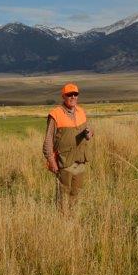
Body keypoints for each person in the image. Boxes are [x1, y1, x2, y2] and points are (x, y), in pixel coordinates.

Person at [43, 82, 94, 211]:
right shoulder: (55, 114)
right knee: (62, 196)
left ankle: (72, 219)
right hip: (64, 162)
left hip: (81, 161)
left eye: (75, 94)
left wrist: (89, 133)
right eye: (69, 94)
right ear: (63, 96)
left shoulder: (81, 112)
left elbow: (89, 134)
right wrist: (52, 162)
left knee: (76, 193)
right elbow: (48, 141)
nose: (73, 97)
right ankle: (61, 222)